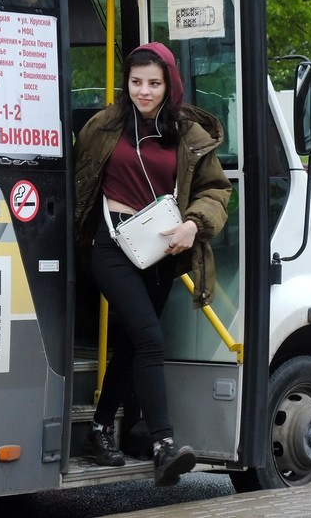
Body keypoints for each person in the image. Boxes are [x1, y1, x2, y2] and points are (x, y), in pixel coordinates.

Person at [74, 42, 231, 487]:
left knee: (131, 343)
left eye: (154, 83)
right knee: (148, 337)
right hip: (111, 244)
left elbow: (216, 190)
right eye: (136, 82)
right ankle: (164, 444)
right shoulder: (104, 125)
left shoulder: (188, 132)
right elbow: (78, 175)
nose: (144, 91)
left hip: (165, 251)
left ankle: (100, 431)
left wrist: (194, 226)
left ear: (169, 85)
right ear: (127, 83)